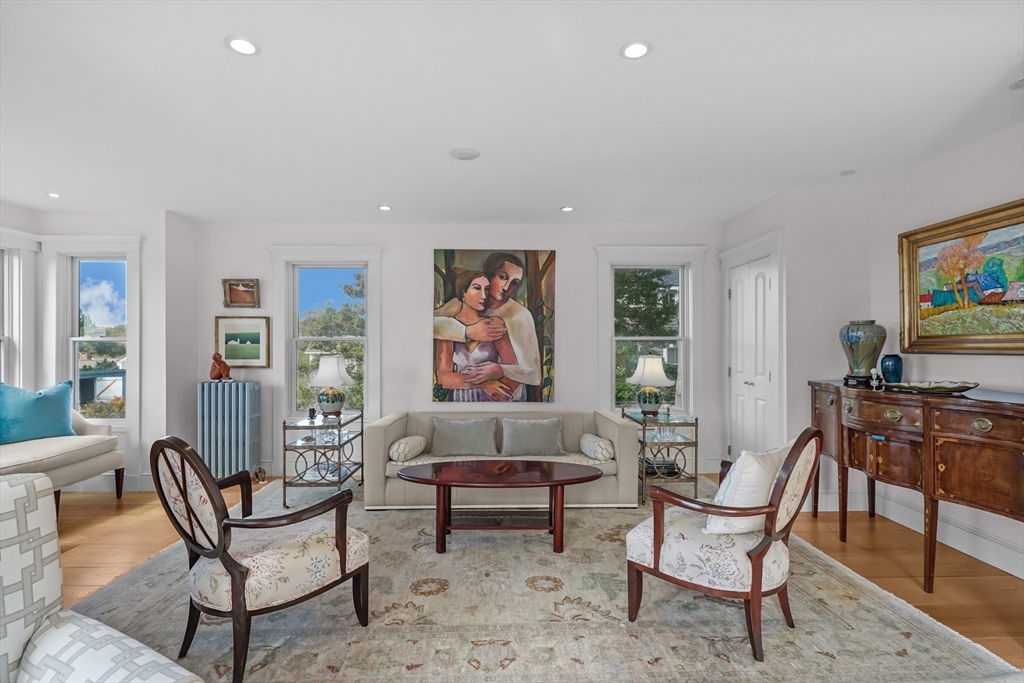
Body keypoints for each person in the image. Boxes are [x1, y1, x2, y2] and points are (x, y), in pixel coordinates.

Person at [433, 252, 541, 400]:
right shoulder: (458, 306)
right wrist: (467, 332)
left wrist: (499, 371)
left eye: (514, 282)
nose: (507, 287)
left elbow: (534, 375)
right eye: (502, 277)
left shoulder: (519, 316)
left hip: (506, 396)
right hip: (463, 396)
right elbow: (427, 325)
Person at [434, 268, 519, 402]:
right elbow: (444, 379)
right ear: (463, 293)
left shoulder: (494, 324)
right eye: (476, 288)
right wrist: (483, 384)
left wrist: (497, 400)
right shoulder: (447, 328)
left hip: (493, 398)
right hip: (461, 400)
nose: (484, 296)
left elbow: (513, 370)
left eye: (486, 289)